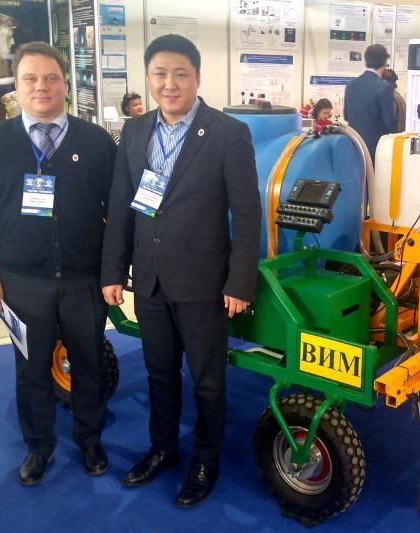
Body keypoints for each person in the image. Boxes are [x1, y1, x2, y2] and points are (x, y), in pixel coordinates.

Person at [100, 34, 260, 508]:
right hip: (149, 279)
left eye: (180, 74)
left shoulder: (228, 132)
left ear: (197, 78)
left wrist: (240, 280)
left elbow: (246, 214)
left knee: (208, 381)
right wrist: (113, 270)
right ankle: (163, 448)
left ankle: (206, 461)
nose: (169, 84)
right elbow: (122, 206)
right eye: (160, 74)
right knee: (159, 373)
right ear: (149, 78)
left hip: (204, 283)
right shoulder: (134, 131)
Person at [0, 41, 116, 486]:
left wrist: (113, 272)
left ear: (66, 84)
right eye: (30, 78)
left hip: (85, 281)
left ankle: (89, 439)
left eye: (51, 78)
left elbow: (117, 212)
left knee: (89, 364)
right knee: (30, 368)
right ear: (16, 86)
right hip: (21, 283)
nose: (41, 87)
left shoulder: (96, 141)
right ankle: (39, 445)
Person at [343, 44, 397, 163]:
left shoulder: (351, 85)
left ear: (366, 61)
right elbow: (390, 123)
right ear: (384, 62)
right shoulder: (384, 88)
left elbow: (346, 116)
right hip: (377, 150)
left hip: (354, 147)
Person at [382, 68, 407, 133]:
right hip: (399, 136)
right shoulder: (398, 96)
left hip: (391, 137)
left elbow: (389, 122)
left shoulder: (390, 98)